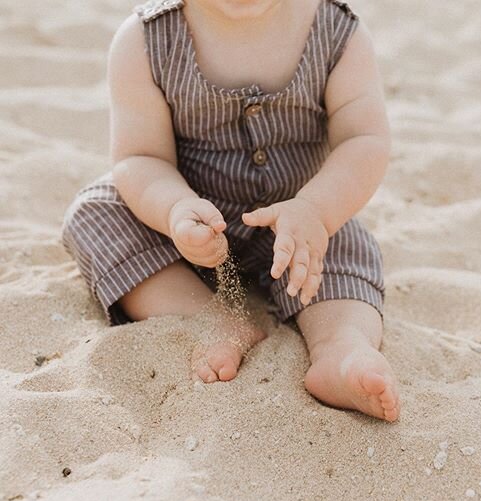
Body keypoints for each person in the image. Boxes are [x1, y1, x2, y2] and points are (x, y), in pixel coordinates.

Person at [61, 0, 400, 421]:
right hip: (193, 225)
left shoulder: (336, 32)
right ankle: (214, 317)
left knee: (345, 247)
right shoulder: (144, 41)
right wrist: (174, 209)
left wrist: (317, 209)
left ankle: (342, 349)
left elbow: (363, 140)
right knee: (95, 212)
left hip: (299, 222)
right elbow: (141, 157)